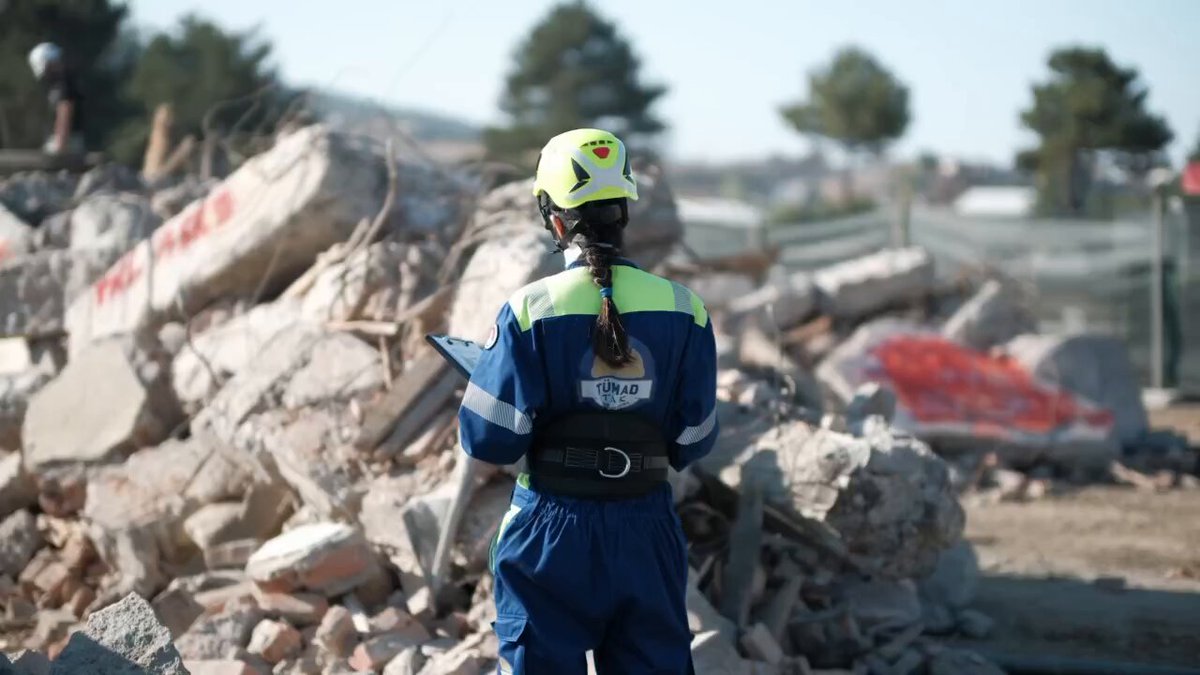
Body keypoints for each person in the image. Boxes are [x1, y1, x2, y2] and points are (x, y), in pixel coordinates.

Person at [457, 128, 719, 674]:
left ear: (553, 218)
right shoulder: (685, 309)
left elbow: (488, 438)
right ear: (624, 211)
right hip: (645, 531)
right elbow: (693, 441)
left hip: (550, 533)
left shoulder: (529, 310)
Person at [27, 42, 85, 155]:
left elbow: (65, 111)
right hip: (62, 140)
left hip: (66, 142)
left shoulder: (63, 84)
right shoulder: (60, 83)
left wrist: (60, 145)